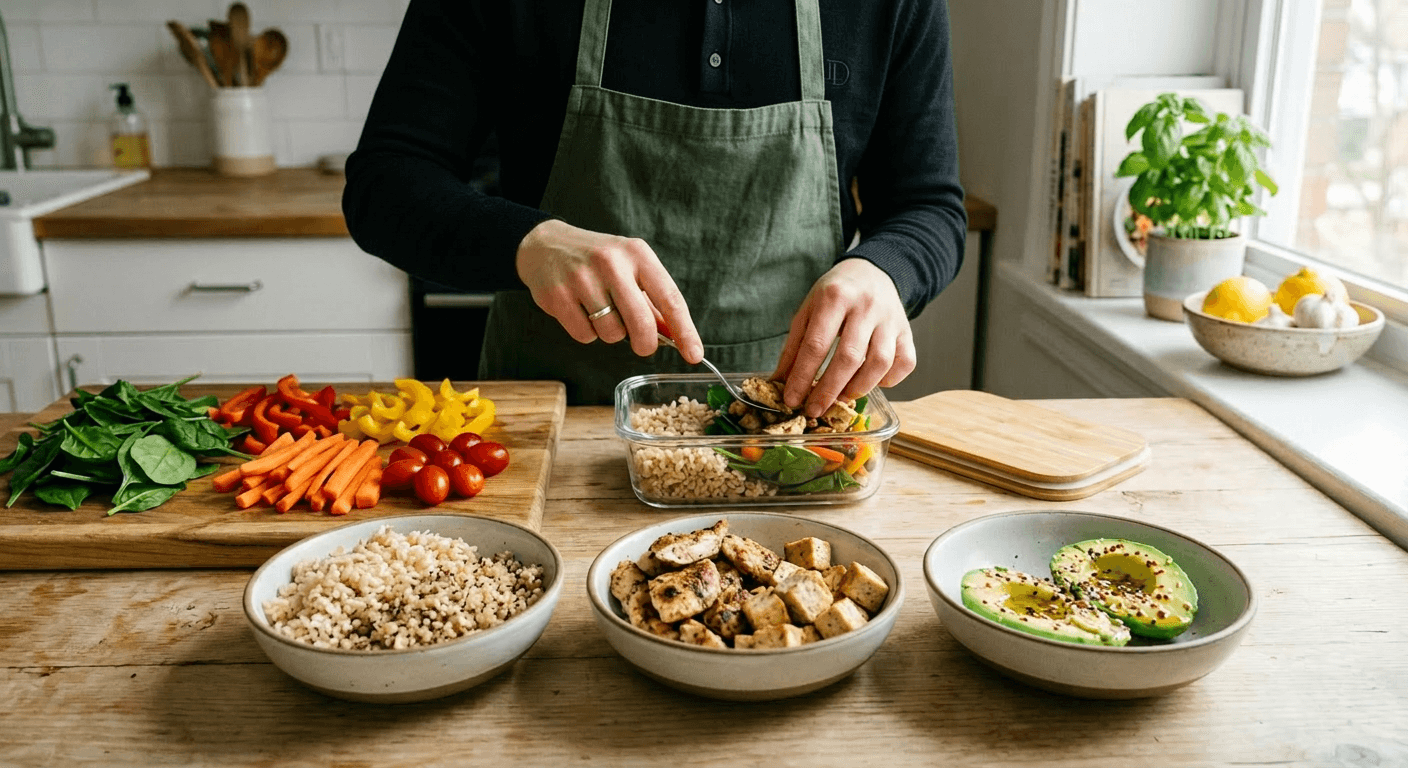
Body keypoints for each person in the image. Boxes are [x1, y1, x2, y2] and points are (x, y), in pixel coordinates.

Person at [343, 0, 967, 415]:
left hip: (793, 432)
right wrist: (528, 243)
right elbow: (384, 184)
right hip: (555, 421)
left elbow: (927, 207)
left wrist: (885, 271)